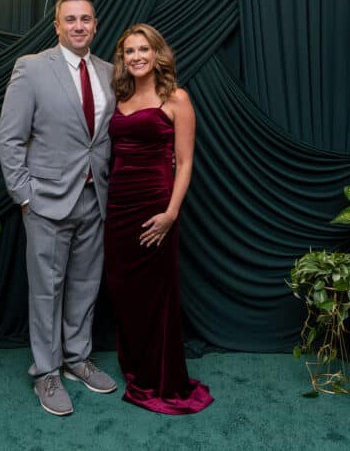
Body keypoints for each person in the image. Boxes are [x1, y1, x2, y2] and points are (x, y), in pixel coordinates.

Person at [0, 0, 117, 416]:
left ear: (95, 25)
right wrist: (24, 194)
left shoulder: (108, 72)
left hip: (94, 198)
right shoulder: (31, 68)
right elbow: (9, 137)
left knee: (86, 284)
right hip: (46, 201)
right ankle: (46, 372)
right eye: (71, 19)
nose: (78, 26)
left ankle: (77, 359)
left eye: (86, 19)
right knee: (46, 290)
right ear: (57, 26)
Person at [104, 23, 213, 414]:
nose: (136, 56)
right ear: (123, 58)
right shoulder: (120, 96)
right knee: (125, 292)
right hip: (118, 208)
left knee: (156, 295)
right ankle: (137, 367)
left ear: (157, 54)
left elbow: (185, 162)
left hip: (155, 207)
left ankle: (161, 377)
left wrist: (170, 213)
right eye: (129, 51)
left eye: (143, 49)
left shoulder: (176, 98)